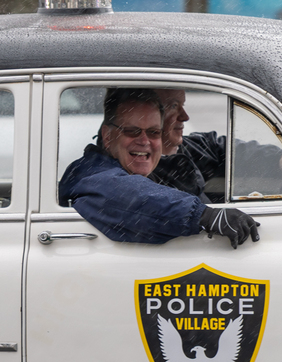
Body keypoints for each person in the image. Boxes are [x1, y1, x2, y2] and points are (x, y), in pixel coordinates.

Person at [58, 88, 259, 247]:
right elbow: (127, 196)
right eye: (132, 131)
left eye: (154, 132)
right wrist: (206, 216)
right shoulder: (90, 173)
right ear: (108, 136)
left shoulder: (158, 165)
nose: (144, 141)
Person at [148, 87, 282, 199]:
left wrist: (281, 161)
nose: (185, 117)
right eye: (173, 106)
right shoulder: (140, 171)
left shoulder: (193, 149)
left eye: (183, 106)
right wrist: (208, 215)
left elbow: (226, 150)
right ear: (146, 114)